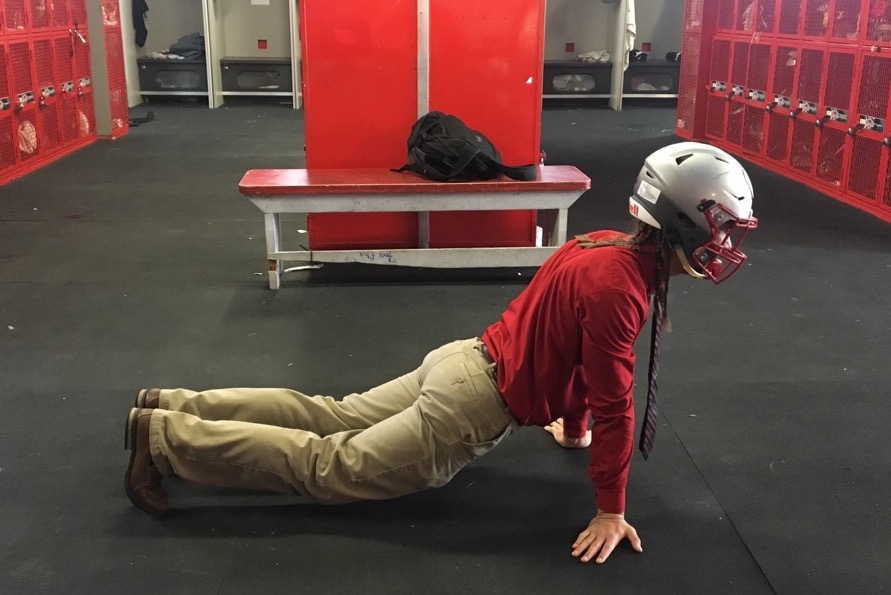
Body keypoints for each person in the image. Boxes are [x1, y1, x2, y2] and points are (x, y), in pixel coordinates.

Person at [124, 141, 757, 564]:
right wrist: (611, 508)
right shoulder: (624, 291)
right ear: (683, 221)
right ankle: (165, 442)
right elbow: (615, 401)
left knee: (328, 414)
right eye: (723, 225)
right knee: (328, 465)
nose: (726, 241)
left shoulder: (601, 247)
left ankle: (167, 405)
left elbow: (566, 347)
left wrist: (571, 424)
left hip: (461, 359)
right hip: (469, 410)